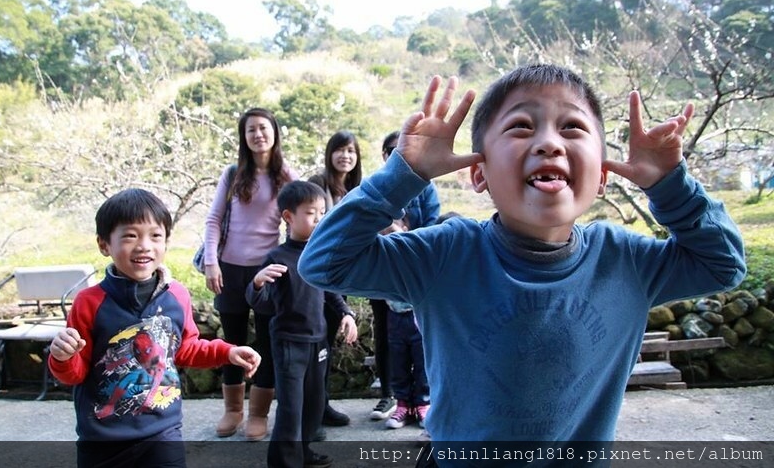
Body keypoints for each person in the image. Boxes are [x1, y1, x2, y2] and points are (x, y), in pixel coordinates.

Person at [299, 65, 746, 463]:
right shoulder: (444, 255)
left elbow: (723, 264)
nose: (549, 142)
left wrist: (671, 186)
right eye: (520, 126)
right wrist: (404, 175)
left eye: (572, 127)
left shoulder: (626, 260)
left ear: (605, 174)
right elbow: (324, 263)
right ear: (479, 173)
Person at [49, 188, 261, 468]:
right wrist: (61, 357)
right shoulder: (89, 302)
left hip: (163, 433)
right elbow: (76, 373)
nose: (144, 246)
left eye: (155, 236)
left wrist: (227, 352)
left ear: (166, 242)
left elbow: (185, 349)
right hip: (102, 439)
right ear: (104, 245)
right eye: (130, 236)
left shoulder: (177, 296)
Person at [203, 107, 299, 440]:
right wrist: (211, 262)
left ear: (274, 132)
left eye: (263, 128)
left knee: (268, 343)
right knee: (232, 340)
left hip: (267, 270)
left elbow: (300, 217)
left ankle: (259, 413)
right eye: (251, 130)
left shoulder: (285, 174)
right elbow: (214, 220)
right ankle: (233, 410)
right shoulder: (233, 174)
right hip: (229, 269)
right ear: (244, 138)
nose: (258, 134)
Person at [246, 180, 358, 468]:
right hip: (288, 342)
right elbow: (262, 303)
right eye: (311, 213)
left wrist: (346, 313)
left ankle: (304, 452)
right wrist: (257, 283)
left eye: (322, 212)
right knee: (291, 408)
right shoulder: (277, 258)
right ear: (288, 217)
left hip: (318, 340)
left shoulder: (319, 253)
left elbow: (330, 291)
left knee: (314, 403)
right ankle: (285, 461)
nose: (319, 219)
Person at [369, 131, 440, 422]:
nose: (398, 154)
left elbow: (434, 228)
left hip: (416, 274)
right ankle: (393, 398)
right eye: (391, 149)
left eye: (405, 148)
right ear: (384, 155)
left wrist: (405, 238)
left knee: (420, 342)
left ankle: (422, 401)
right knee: (389, 341)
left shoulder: (426, 188)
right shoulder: (375, 186)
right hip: (381, 274)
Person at [307, 130, 362, 428]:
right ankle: (315, 408)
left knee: (326, 344)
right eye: (340, 150)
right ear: (330, 154)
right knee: (317, 345)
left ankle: (321, 404)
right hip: (319, 271)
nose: (346, 156)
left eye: (351, 151)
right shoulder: (317, 185)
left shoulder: (358, 189)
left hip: (344, 270)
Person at [377, 218, 431, 432]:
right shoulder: (383, 264)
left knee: (421, 363)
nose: (390, 238)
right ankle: (402, 405)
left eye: (394, 231)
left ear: (406, 230)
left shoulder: (417, 257)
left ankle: (423, 404)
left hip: (416, 317)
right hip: (394, 318)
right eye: (385, 235)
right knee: (398, 362)